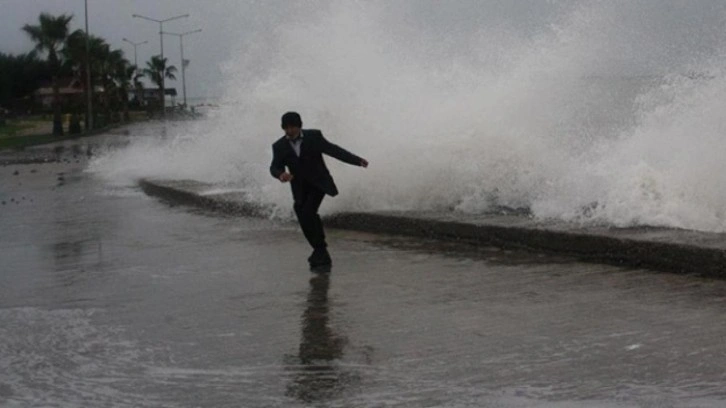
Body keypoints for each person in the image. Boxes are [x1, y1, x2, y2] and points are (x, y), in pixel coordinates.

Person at [270, 112, 368, 271]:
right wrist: (280, 174)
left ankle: (320, 249)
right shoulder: (279, 146)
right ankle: (318, 249)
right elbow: (274, 166)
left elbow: (333, 150)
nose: (290, 131)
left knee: (309, 212)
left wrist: (357, 160)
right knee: (301, 213)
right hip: (300, 187)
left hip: (319, 183)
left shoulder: (314, 136)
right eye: (286, 128)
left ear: (299, 125)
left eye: (292, 127)